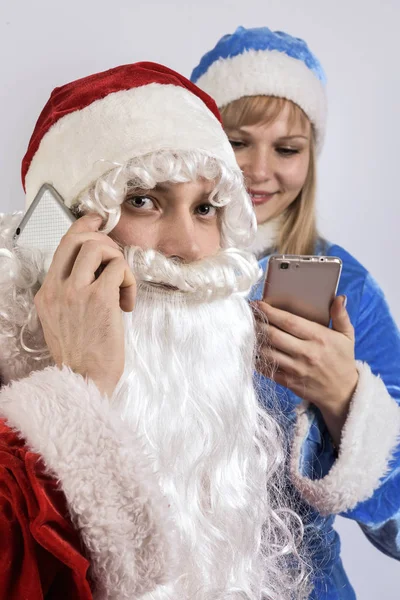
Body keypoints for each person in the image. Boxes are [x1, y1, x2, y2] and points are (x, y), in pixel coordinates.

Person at [0, 62, 314, 599]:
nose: (189, 247)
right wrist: (80, 384)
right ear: (58, 233)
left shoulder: (236, 395)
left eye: (206, 208)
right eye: (142, 199)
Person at [191, 26, 400, 599]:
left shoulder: (346, 287)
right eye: (237, 142)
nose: (259, 172)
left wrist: (346, 401)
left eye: (287, 149)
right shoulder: (150, 268)